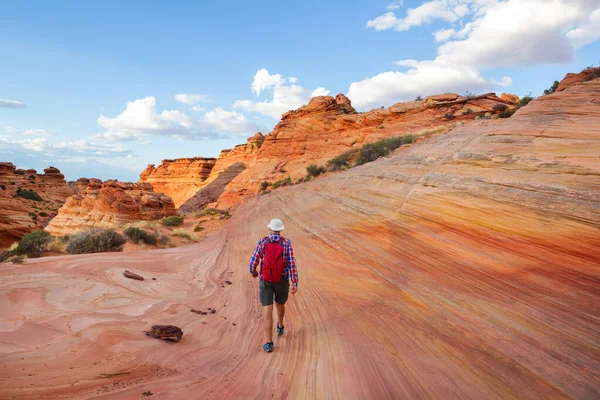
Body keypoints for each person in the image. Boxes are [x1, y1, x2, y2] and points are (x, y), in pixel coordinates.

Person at [249, 218, 298, 353]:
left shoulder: (263, 242)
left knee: (267, 310)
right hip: (281, 280)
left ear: (270, 229)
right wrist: (295, 282)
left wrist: (253, 271)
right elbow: (291, 263)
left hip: (266, 280)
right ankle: (280, 326)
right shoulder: (287, 243)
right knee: (280, 304)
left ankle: (268, 342)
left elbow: (254, 259)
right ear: (281, 230)